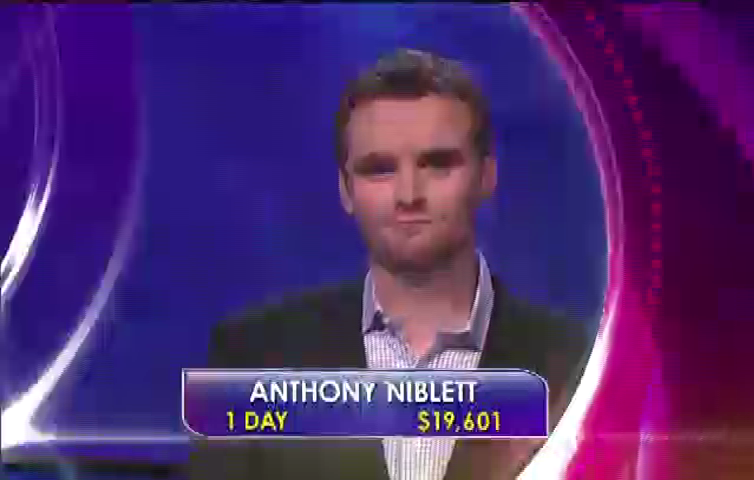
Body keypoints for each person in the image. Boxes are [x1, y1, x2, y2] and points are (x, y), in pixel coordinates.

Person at [188, 48, 591, 480]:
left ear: (486, 175)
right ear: (346, 189)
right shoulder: (254, 358)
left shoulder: (576, 367)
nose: (408, 195)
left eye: (437, 164)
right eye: (379, 169)